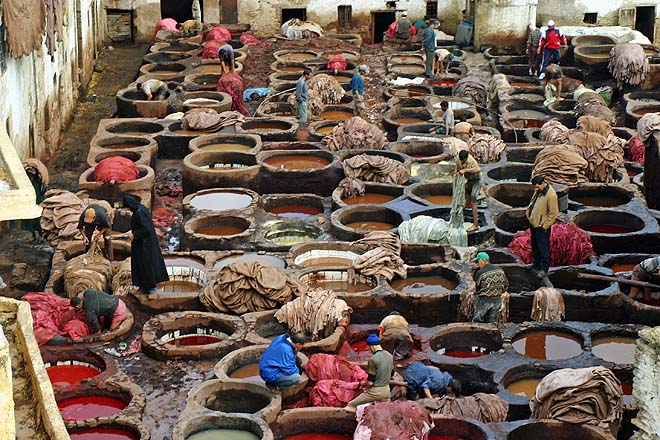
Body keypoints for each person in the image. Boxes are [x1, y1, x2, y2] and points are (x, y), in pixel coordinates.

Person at [123, 194, 169, 297]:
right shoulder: (141, 208)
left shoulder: (139, 213)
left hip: (145, 245)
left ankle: (151, 289)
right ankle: (142, 286)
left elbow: (146, 229)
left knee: (146, 266)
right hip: (141, 243)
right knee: (139, 266)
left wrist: (134, 235)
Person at [345, 334, 394, 411]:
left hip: (376, 392)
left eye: (369, 348)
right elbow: (392, 374)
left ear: (372, 346)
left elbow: (370, 382)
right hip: (387, 391)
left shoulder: (373, 360)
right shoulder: (389, 356)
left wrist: (361, 384)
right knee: (384, 411)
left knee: (351, 405)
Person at [526, 175, 559, 273]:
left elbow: (553, 214)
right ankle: (536, 263)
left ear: (543, 183)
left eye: (537, 186)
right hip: (534, 223)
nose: (536, 189)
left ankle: (544, 269)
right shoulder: (539, 191)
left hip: (541, 226)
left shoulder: (551, 195)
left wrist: (544, 225)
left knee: (543, 247)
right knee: (535, 245)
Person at [472, 252, 509, 323]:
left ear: (482, 260)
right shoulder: (500, 270)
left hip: (485, 300)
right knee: (492, 321)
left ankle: (477, 333)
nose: (477, 264)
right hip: (497, 300)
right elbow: (506, 285)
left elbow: (477, 288)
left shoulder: (480, 272)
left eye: (477, 261)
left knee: (477, 320)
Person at [456, 150, 481, 232]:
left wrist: (466, 170)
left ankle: (475, 225)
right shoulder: (458, 158)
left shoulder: (471, 161)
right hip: (469, 180)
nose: (462, 162)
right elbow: (457, 167)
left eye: (464, 161)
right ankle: (466, 208)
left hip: (476, 181)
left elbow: (478, 169)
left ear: (466, 158)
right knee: (466, 195)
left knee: (473, 202)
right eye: (461, 160)